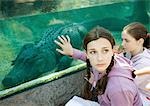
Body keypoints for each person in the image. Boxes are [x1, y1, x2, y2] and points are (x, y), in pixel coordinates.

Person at [55, 26, 143, 106]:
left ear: (113, 51)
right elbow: (86, 58)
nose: (100, 58)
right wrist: (72, 52)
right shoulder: (108, 61)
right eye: (93, 52)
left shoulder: (119, 89)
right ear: (87, 54)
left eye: (105, 50)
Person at [121, 22, 150, 105]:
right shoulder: (130, 53)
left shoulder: (143, 64)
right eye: (122, 39)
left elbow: (125, 86)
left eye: (126, 40)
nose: (122, 44)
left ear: (140, 41)